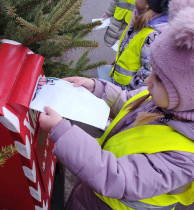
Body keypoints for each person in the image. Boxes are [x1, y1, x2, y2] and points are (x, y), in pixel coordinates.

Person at [39, 1, 194, 209]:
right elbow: (126, 100)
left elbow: (117, 178)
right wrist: (96, 87)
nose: (147, 80)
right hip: (90, 193)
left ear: (186, 95)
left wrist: (62, 133)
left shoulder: (184, 157)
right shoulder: (161, 101)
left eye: (158, 79)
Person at [109, 0, 169, 91]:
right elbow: (129, 45)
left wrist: (125, 93)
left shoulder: (154, 36)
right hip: (118, 88)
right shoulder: (138, 18)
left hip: (126, 94)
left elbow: (147, 75)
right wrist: (118, 60)